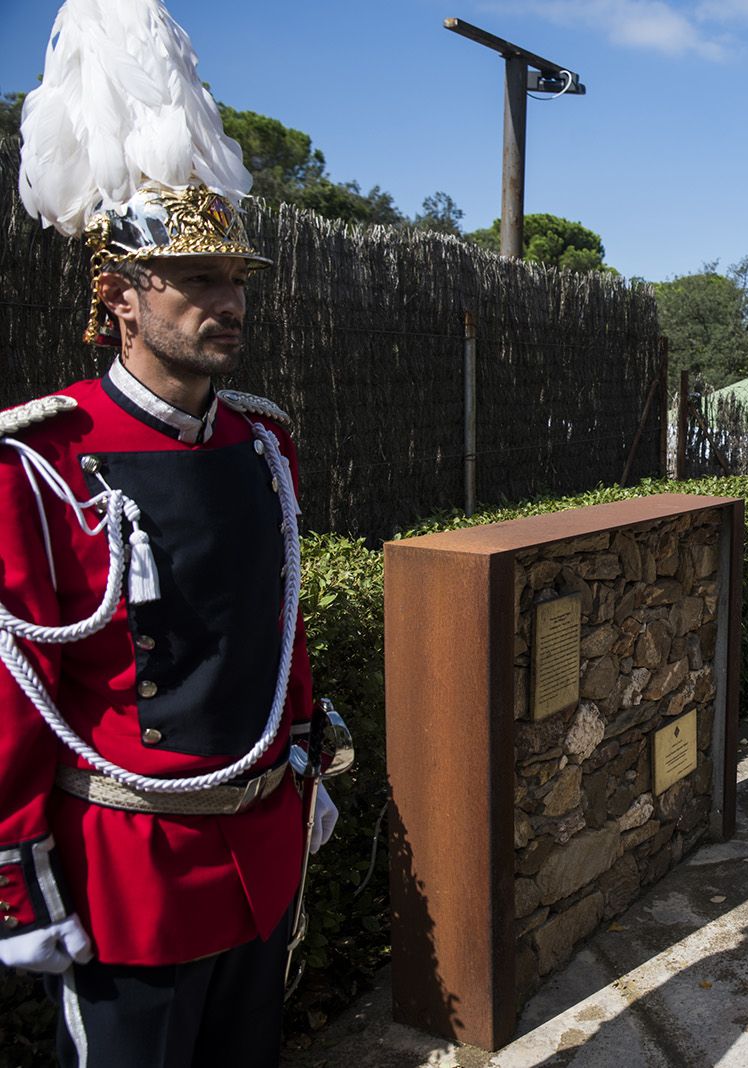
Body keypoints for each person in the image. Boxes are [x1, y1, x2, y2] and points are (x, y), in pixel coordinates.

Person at [0, 4, 335, 1064]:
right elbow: (16, 696)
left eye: (234, 281)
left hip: (260, 846)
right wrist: (17, 875)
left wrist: (303, 760)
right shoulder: (40, 461)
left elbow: (274, 626)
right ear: (119, 296)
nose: (227, 302)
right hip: (127, 872)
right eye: (196, 280)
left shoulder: (263, 444)